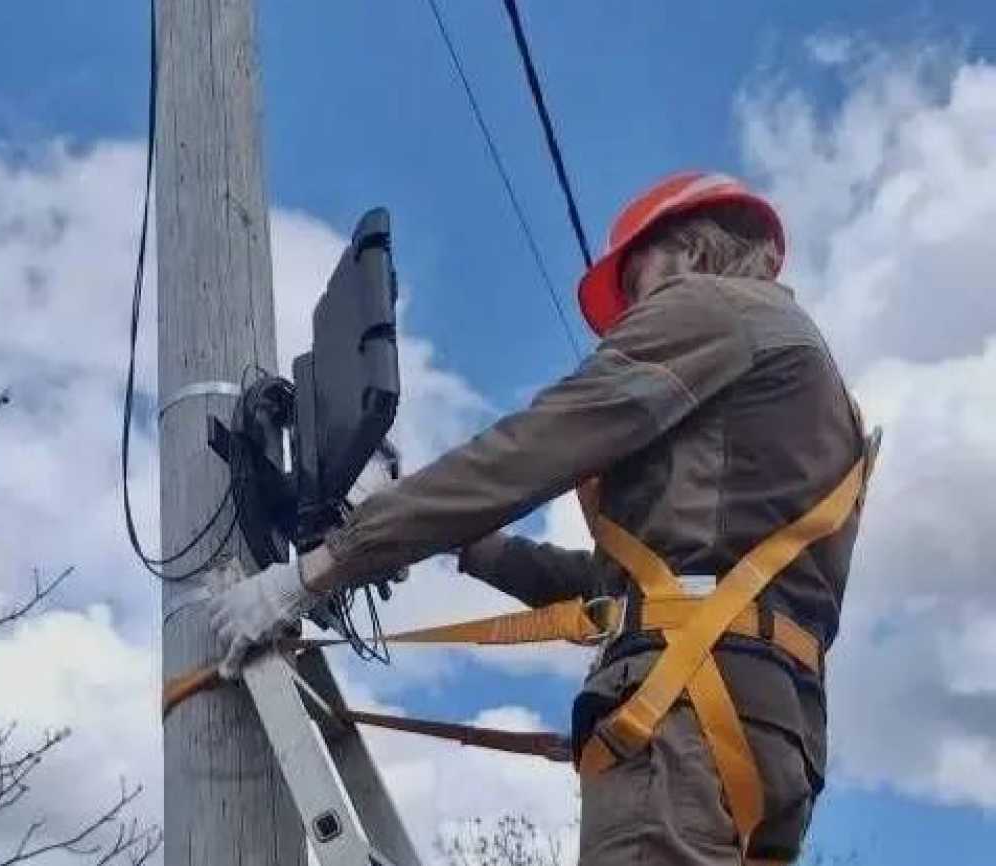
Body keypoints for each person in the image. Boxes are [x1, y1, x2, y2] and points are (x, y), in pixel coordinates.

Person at [209, 171, 875, 865]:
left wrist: (317, 570)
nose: (631, 321)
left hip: (686, 719)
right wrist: (460, 544)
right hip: (773, 730)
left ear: (693, 254)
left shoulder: (713, 308)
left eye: (638, 288)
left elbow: (533, 449)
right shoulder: (810, 388)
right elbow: (623, 590)